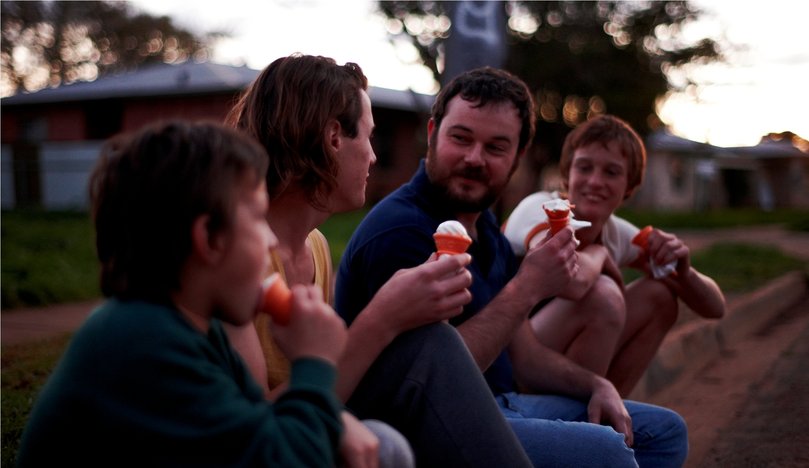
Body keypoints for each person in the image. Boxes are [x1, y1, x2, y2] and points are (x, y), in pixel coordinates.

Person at [336, 67, 689, 467]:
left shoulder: (485, 226)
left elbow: (525, 357)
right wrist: (528, 287)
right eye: (461, 138)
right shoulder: (401, 232)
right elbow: (428, 381)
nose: (474, 159)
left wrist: (597, 384)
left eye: (496, 147)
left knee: (664, 433)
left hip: (504, 403)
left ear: (519, 156)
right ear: (433, 133)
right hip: (423, 427)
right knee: (608, 453)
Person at [225, 53, 533, 467]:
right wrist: (385, 315)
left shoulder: (314, 246)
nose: (373, 157)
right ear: (334, 137)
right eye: (368, 138)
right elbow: (257, 434)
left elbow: (328, 385)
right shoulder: (233, 262)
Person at [17, 120, 348, 467]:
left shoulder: (200, 330)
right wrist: (315, 363)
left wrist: (338, 423)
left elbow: (256, 425)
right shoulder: (141, 341)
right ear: (208, 238)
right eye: (258, 218)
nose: (269, 241)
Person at [503, 114, 726, 397]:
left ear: (629, 187)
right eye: (584, 167)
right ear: (567, 175)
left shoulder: (617, 233)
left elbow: (715, 308)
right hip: (512, 357)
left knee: (660, 295)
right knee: (603, 295)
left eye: (611, 172)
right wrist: (598, 254)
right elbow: (569, 281)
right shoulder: (542, 208)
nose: (595, 181)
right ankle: (578, 426)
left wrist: (684, 273)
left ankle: (611, 416)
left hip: (550, 345)